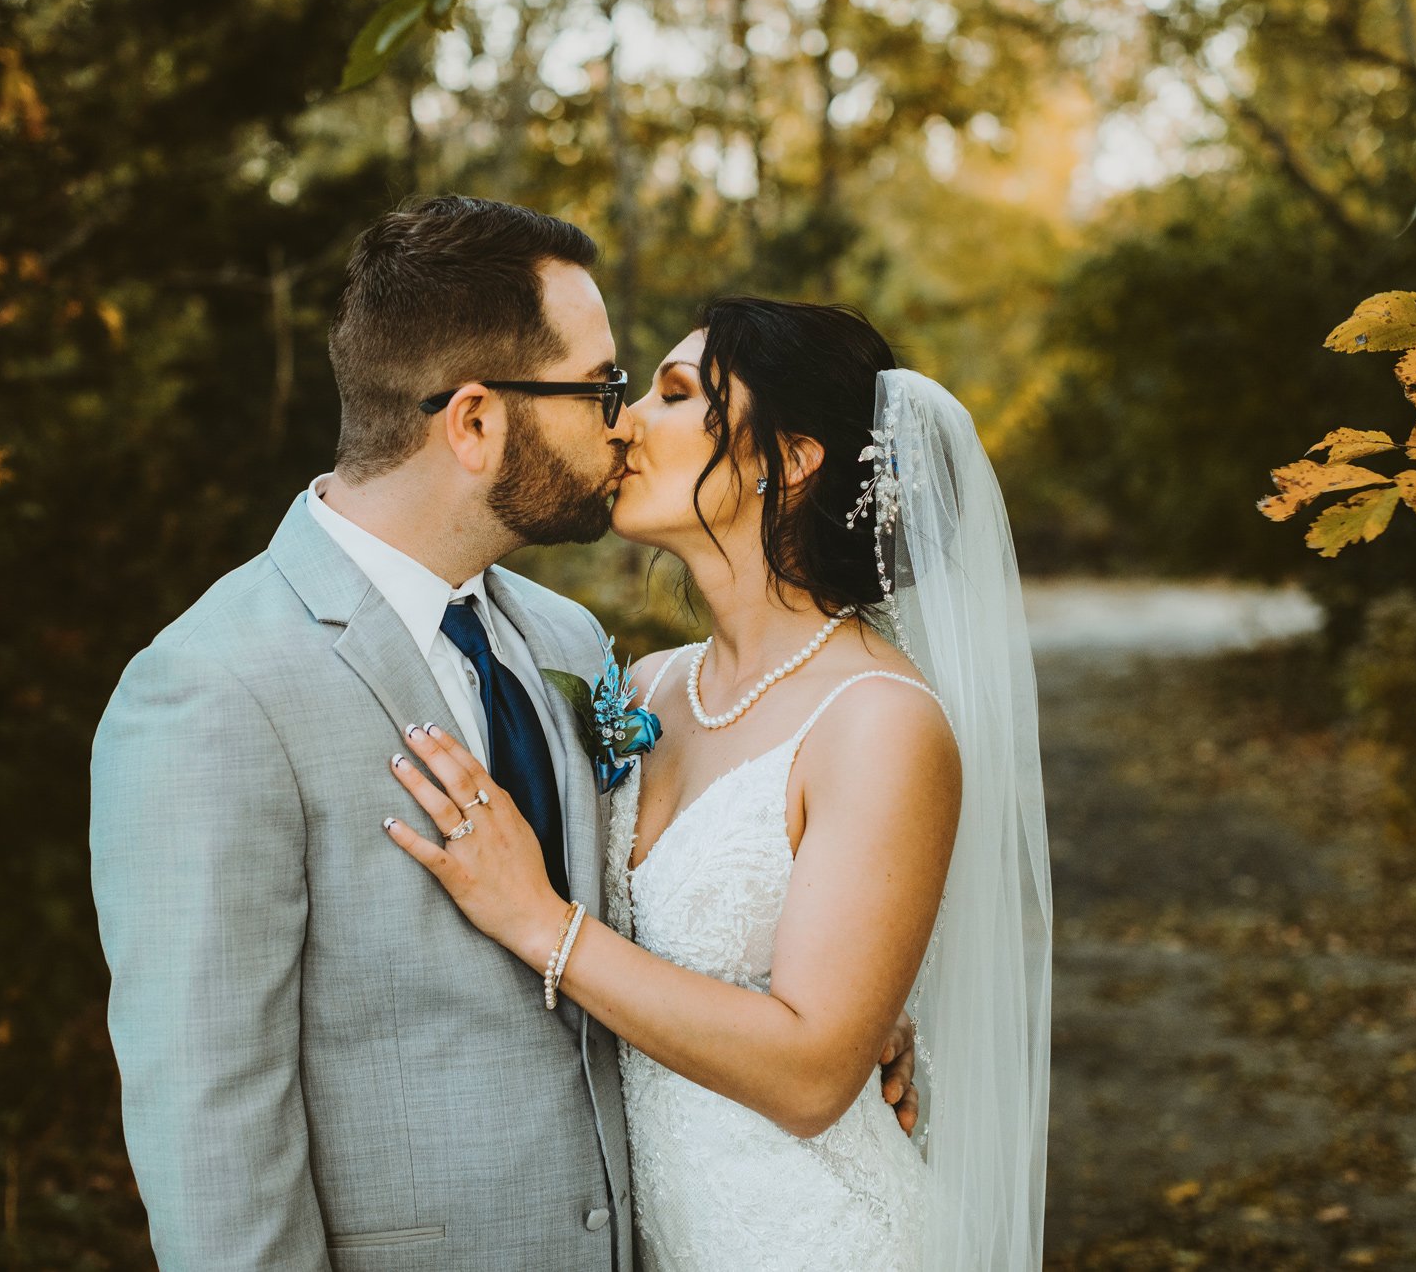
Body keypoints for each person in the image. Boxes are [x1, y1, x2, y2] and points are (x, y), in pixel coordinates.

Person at [88, 198, 917, 1270]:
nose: (620, 424)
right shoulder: (212, 691)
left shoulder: (564, 638)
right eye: (602, 388)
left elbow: (654, 915)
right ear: (475, 421)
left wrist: (832, 1004)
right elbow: (206, 1120)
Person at [382, 296, 1054, 1269]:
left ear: (783, 457)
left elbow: (812, 1074)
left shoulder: (878, 721)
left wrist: (542, 923)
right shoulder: (648, 684)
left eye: (673, 393)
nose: (624, 422)